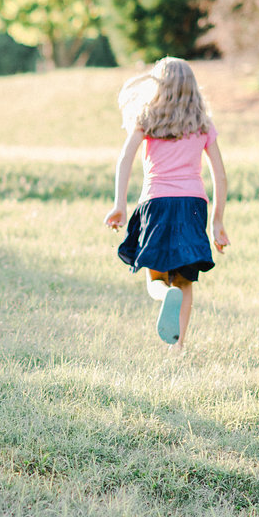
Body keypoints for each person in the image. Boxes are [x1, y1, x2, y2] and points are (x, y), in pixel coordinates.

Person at [103, 57, 229, 349]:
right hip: (193, 204)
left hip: (156, 202)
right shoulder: (203, 125)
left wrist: (119, 205)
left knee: (155, 278)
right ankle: (178, 347)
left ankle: (162, 294)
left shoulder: (147, 119)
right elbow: (219, 175)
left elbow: (125, 159)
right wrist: (217, 220)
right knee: (184, 281)